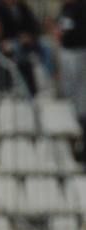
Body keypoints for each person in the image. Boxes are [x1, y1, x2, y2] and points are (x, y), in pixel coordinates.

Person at [56, 0, 86, 162]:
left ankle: (80, 120)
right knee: (70, 92)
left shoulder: (81, 7)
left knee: (81, 92)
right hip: (66, 51)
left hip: (80, 51)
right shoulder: (65, 8)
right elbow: (61, 28)